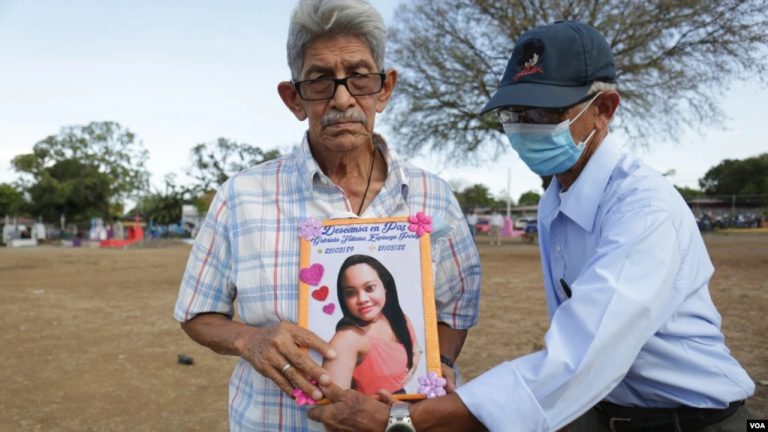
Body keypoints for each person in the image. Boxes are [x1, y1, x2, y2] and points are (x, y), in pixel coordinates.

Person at [308, 21, 754, 432]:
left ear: (604, 109)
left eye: (546, 113)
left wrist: (404, 419)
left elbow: (580, 356)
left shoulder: (642, 210)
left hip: (690, 419)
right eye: (514, 114)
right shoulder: (555, 201)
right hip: (601, 412)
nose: (526, 129)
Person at [173, 1, 481, 430]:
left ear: (385, 88)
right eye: (320, 81)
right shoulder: (240, 198)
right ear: (294, 98)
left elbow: (453, 311)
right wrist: (250, 340)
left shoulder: (433, 196)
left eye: (359, 77)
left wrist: (439, 360)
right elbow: (195, 313)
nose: (342, 98)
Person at [324, 254, 420, 396]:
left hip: (406, 409)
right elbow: (335, 408)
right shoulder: (347, 339)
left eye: (369, 288)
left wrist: (418, 352)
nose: (362, 299)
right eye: (350, 293)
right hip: (367, 415)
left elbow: (415, 352)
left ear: (385, 286)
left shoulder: (401, 320)